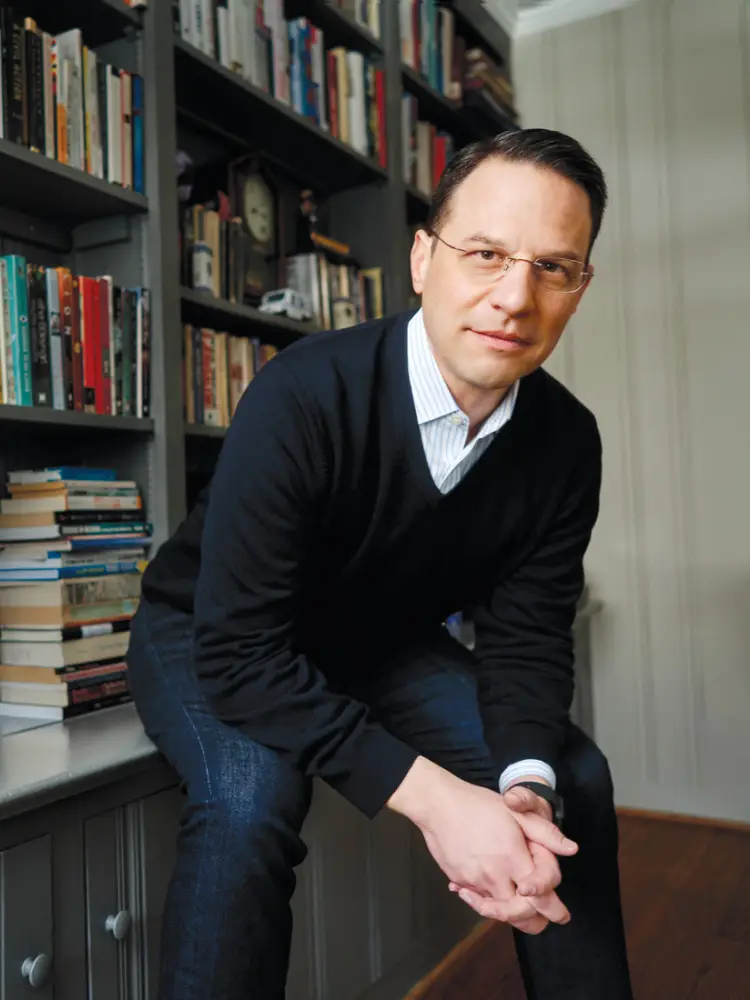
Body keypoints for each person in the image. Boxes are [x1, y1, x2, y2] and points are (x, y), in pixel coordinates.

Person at [127, 127, 634, 1000]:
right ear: (423, 259)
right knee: (251, 803)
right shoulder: (302, 393)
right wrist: (441, 804)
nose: (515, 297)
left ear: (579, 288)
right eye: (485, 254)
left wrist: (520, 792)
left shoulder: (566, 442)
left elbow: (527, 639)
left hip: (376, 643)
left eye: (552, 267)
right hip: (213, 631)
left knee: (571, 778)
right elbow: (241, 655)